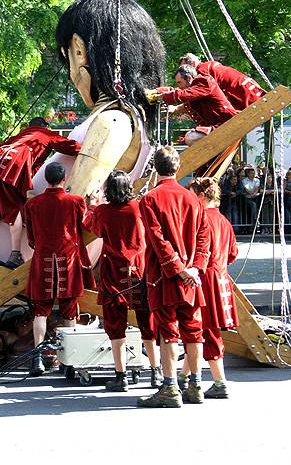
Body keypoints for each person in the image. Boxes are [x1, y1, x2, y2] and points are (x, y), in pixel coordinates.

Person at [138, 146, 210, 408]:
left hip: (165, 276)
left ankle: (170, 388)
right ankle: (196, 385)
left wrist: (178, 268)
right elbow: (204, 237)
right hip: (190, 276)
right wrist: (195, 268)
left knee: (168, 331)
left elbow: (157, 240)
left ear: (155, 168)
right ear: (178, 168)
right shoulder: (192, 198)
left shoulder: (150, 199)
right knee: (193, 330)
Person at [0, 118, 81, 267]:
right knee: (15, 210)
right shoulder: (43, 133)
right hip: (12, 166)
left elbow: (1, 146)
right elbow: (68, 145)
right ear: (45, 126)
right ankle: (15, 254)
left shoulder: (21, 134)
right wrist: (85, 149)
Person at [84, 170, 161, 391]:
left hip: (113, 275)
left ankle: (121, 375)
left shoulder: (103, 212)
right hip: (139, 271)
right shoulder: (139, 208)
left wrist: (92, 204)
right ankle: (155, 372)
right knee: (147, 324)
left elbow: (92, 226)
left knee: (116, 327)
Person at [24, 161, 94, 376]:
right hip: (67, 261)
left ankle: (37, 358)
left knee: (40, 311)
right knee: (69, 311)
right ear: (64, 179)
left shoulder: (32, 204)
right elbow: (88, 226)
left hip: (43, 259)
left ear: (46, 179)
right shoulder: (76, 201)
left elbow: (31, 240)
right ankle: (69, 360)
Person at [180, 177, 238, 398]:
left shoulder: (201, 217)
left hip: (205, 278)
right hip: (220, 276)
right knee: (197, 330)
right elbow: (232, 253)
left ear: (202, 196)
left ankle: (220, 382)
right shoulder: (224, 220)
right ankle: (183, 376)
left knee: (205, 329)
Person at [148, 64, 238, 145]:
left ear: (189, 78)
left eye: (180, 82)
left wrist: (158, 97)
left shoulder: (204, 82)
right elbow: (178, 92)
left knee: (191, 138)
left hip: (226, 123)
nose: (179, 86)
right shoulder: (195, 88)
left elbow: (182, 94)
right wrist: (157, 92)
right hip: (219, 125)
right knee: (191, 137)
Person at [179, 53, 265, 110]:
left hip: (244, 97)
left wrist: (177, 107)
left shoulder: (202, 72)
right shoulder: (211, 66)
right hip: (255, 91)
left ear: (193, 64)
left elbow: (197, 96)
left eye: (185, 69)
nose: (184, 72)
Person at [239, 166, 261, 230]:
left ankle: (256, 222)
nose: (253, 174)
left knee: (256, 207)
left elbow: (257, 188)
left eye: (254, 173)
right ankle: (254, 221)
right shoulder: (244, 180)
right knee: (253, 206)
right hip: (247, 198)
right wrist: (251, 194)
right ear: (248, 174)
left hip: (255, 197)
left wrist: (254, 193)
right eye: (251, 173)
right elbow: (246, 188)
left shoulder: (257, 180)